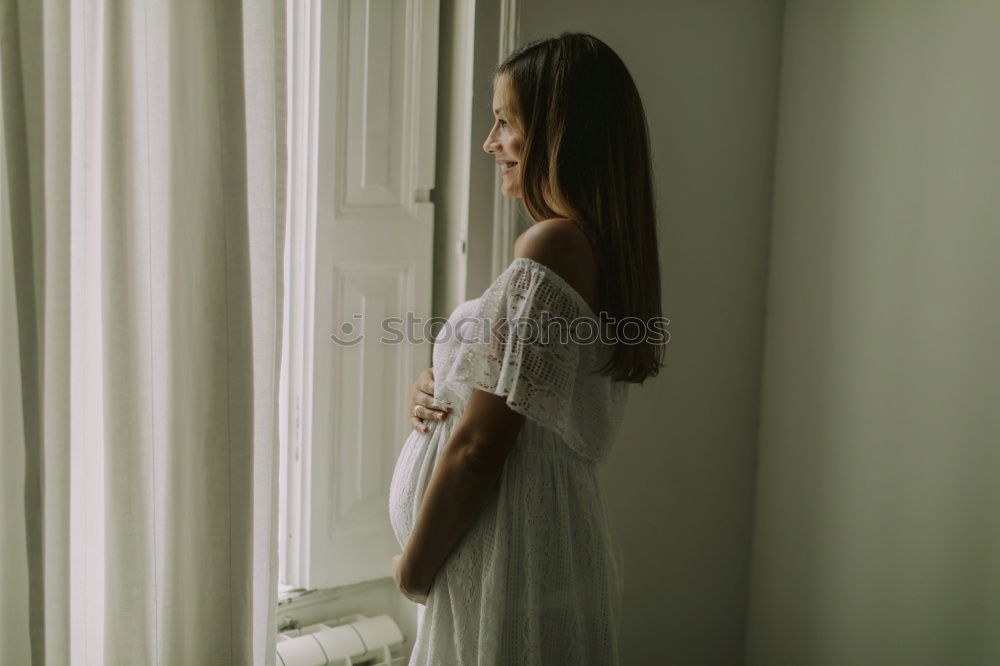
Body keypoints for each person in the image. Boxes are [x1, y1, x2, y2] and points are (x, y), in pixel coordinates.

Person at [388, 31, 664, 665]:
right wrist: (441, 388)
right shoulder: (593, 248)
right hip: (531, 553)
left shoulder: (552, 247)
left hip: (512, 558)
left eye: (505, 122)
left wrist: (413, 570)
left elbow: (484, 446)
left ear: (561, 135)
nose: (491, 143)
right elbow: (515, 403)